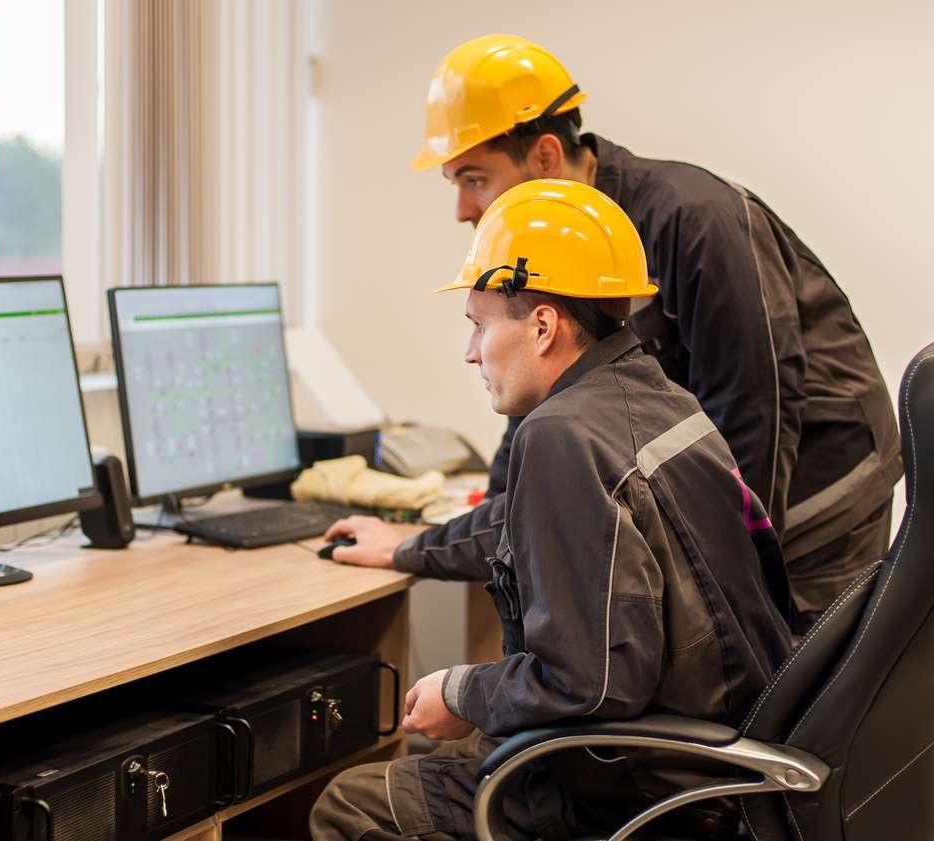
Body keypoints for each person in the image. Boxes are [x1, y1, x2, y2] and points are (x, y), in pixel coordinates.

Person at [330, 35, 900, 631]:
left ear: (546, 157)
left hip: (820, 467)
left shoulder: (692, 218)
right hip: (738, 465)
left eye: (473, 179)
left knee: (784, 683)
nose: (463, 210)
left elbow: (756, 406)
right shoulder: (553, 242)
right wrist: (469, 526)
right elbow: (539, 399)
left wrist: (737, 573)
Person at [310, 179, 792, 841]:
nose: (470, 352)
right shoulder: (657, 400)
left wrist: (461, 690)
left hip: (641, 790)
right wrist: (406, 545)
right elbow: (525, 528)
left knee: (352, 801)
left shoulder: (560, 433)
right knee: (438, 764)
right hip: (721, 764)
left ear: (542, 324)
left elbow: (587, 683)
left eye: (479, 325)